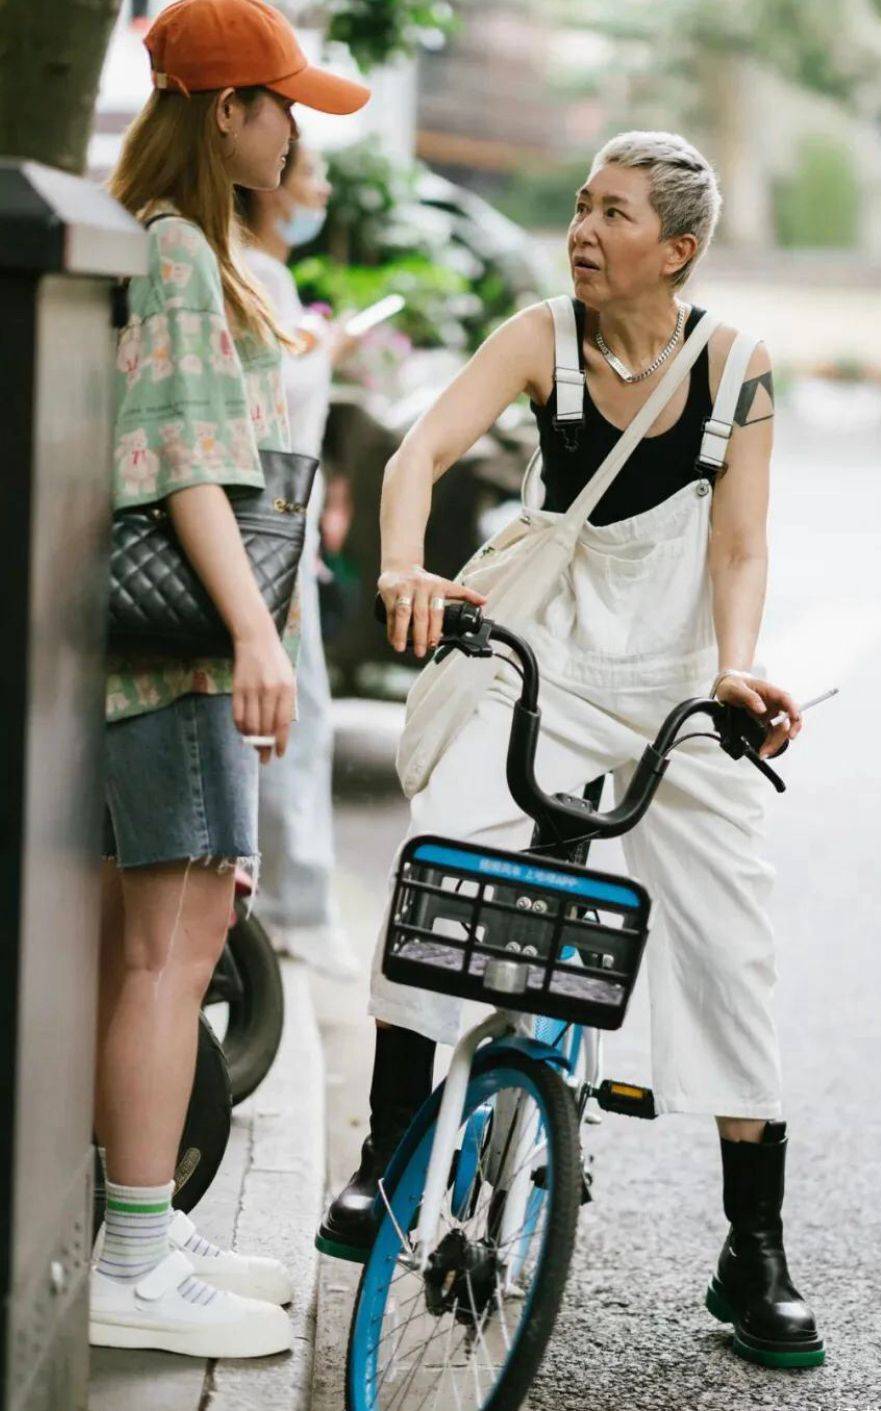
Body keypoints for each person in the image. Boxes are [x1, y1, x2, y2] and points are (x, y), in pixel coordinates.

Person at [319, 131, 826, 1370]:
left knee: (731, 937)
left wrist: (732, 668)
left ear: (678, 249)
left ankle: (751, 1249)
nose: (582, 230)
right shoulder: (538, 336)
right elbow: (419, 451)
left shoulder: (732, 367)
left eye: (613, 214)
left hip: (674, 681)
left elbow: (741, 545)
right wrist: (400, 563)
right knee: (447, 858)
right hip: (531, 652)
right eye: (580, 204)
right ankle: (386, 1159)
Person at [94, 0, 367, 1359]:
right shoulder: (183, 255)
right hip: (186, 649)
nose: (294, 127)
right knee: (170, 948)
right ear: (224, 111)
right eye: (282, 103)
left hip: (161, 652)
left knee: (157, 943)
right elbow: (188, 459)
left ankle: (143, 1225)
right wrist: (259, 640)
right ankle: (136, 1248)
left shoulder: (158, 241)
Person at [238, 143, 361, 979]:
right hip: (272, 529)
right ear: (274, 190)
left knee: (294, 711)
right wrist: (328, 349)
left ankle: (288, 901)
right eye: (310, 174)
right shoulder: (256, 274)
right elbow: (275, 402)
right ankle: (291, 908)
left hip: (285, 525)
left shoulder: (262, 273)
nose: (318, 191)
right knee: (294, 713)